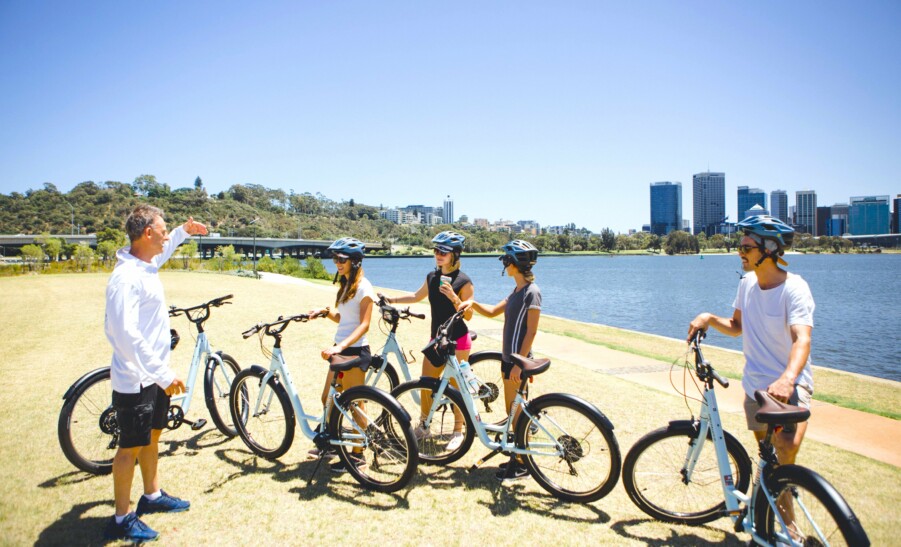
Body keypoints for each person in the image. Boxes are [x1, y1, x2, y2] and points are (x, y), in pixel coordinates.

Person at [103, 204, 207, 542]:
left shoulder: (146, 265)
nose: (165, 235)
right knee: (129, 448)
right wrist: (163, 374)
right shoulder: (126, 278)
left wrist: (183, 232)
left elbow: (166, 248)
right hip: (137, 379)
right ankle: (122, 517)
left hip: (155, 377)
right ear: (147, 233)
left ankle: (151, 495)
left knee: (152, 436)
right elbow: (125, 334)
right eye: (163, 230)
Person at [687, 215, 814, 469]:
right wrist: (708, 318)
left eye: (746, 248)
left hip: (788, 387)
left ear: (769, 250)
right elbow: (737, 327)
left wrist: (788, 379)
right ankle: (769, 507)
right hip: (755, 388)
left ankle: (777, 504)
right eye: (740, 247)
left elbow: (802, 339)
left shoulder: (794, 288)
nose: (740, 253)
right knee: (768, 458)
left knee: (786, 451)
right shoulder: (746, 284)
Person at [380, 231, 474, 451]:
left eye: (443, 251)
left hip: (458, 339)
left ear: (455, 254)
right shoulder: (432, 277)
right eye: (436, 251)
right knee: (425, 383)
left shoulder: (464, 281)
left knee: (456, 387)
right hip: (437, 339)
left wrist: (453, 296)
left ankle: (458, 430)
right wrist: (391, 299)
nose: (438, 255)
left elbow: (468, 315)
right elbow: (416, 296)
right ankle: (424, 425)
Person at [458, 239, 542, 481]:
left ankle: (522, 464)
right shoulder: (517, 291)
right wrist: (470, 303)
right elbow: (494, 311)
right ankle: (518, 456)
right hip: (511, 358)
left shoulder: (531, 293)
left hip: (517, 360)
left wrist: (519, 362)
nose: (504, 265)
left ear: (515, 264)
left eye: (507, 260)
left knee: (514, 412)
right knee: (514, 411)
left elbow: (532, 331)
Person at [308, 237, 376, 473]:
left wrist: (341, 346)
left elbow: (364, 325)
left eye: (342, 259)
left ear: (355, 261)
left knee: (356, 404)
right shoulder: (346, 285)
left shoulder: (365, 288)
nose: (337, 262)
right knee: (328, 397)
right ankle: (331, 442)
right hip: (341, 349)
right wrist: (325, 313)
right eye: (335, 258)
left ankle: (358, 455)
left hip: (355, 351)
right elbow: (345, 319)